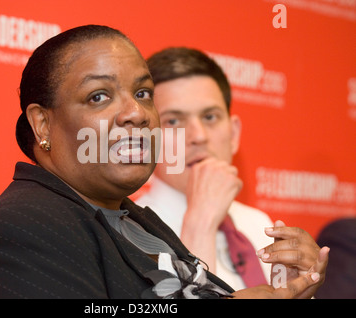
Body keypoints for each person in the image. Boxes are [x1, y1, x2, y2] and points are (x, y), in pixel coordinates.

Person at [0, 25, 327, 299]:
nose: (136, 112)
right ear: (43, 124)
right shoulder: (25, 227)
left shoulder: (135, 222)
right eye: (98, 96)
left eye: (143, 93)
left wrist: (288, 292)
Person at [136, 47, 327, 291]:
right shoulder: (134, 233)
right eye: (173, 121)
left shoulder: (258, 224)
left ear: (234, 134)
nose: (198, 136)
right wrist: (200, 224)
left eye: (210, 117)